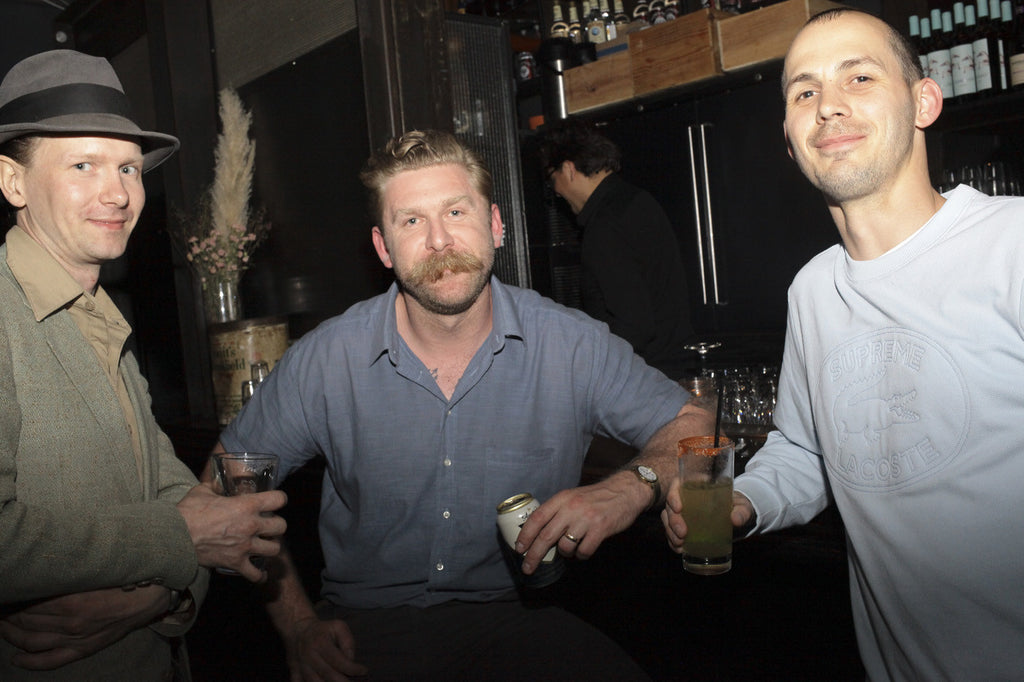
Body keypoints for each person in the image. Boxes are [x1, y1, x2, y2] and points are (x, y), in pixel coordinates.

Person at [214, 129, 714, 680]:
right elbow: (227, 484)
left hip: (520, 624)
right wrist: (298, 627)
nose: (439, 241)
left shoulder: (571, 344)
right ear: (383, 248)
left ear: (496, 225)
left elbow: (694, 424)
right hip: (362, 635)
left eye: (456, 211)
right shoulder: (326, 359)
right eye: (411, 221)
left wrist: (631, 485)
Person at [661, 9, 1024, 680]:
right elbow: (804, 451)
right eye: (805, 91)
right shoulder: (814, 290)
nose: (829, 105)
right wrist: (744, 502)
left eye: (859, 76)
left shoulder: (1012, 247)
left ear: (924, 101)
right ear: (789, 139)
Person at [0, 50, 287, 680]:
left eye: (129, 168)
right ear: (13, 182)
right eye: (84, 165)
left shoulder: (98, 314)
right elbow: (184, 525)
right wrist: (176, 545)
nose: (118, 193)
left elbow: (171, 490)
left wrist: (163, 595)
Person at [539, 120, 695, 379]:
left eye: (552, 181)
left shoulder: (604, 225)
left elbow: (635, 326)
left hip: (648, 382)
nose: (556, 193)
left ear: (568, 169)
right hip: (676, 371)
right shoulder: (637, 200)